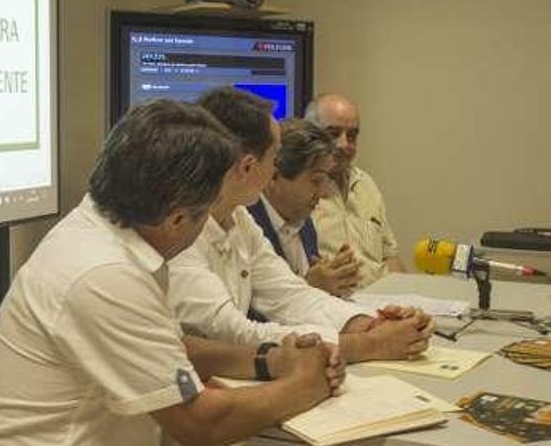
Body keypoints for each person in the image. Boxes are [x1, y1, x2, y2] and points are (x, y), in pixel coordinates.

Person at [0, 99, 341, 446]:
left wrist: (270, 359)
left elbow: (171, 349)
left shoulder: (99, 227)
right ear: (177, 218)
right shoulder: (106, 274)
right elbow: (202, 424)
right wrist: (307, 383)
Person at [168, 87, 434, 364]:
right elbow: (231, 334)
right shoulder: (178, 232)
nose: (276, 169)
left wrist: (371, 324)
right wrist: (368, 345)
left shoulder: (239, 219)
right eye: (274, 158)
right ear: (248, 167)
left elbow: (292, 296)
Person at [247, 119, 361, 298]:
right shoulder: (245, 224)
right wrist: (309, 287)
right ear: (274, 176)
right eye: (315, 181)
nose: (323, 194)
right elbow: (245, 312)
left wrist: (333, 278)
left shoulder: (303, 221)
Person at [305, 93, 406, 287]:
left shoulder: (366, 184)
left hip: (382, 303)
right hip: (335, 306)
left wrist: (407, 299)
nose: (343, 144)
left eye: (351, 136)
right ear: (310, 134)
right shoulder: (300, 191)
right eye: (332, 133)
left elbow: (390, 257)